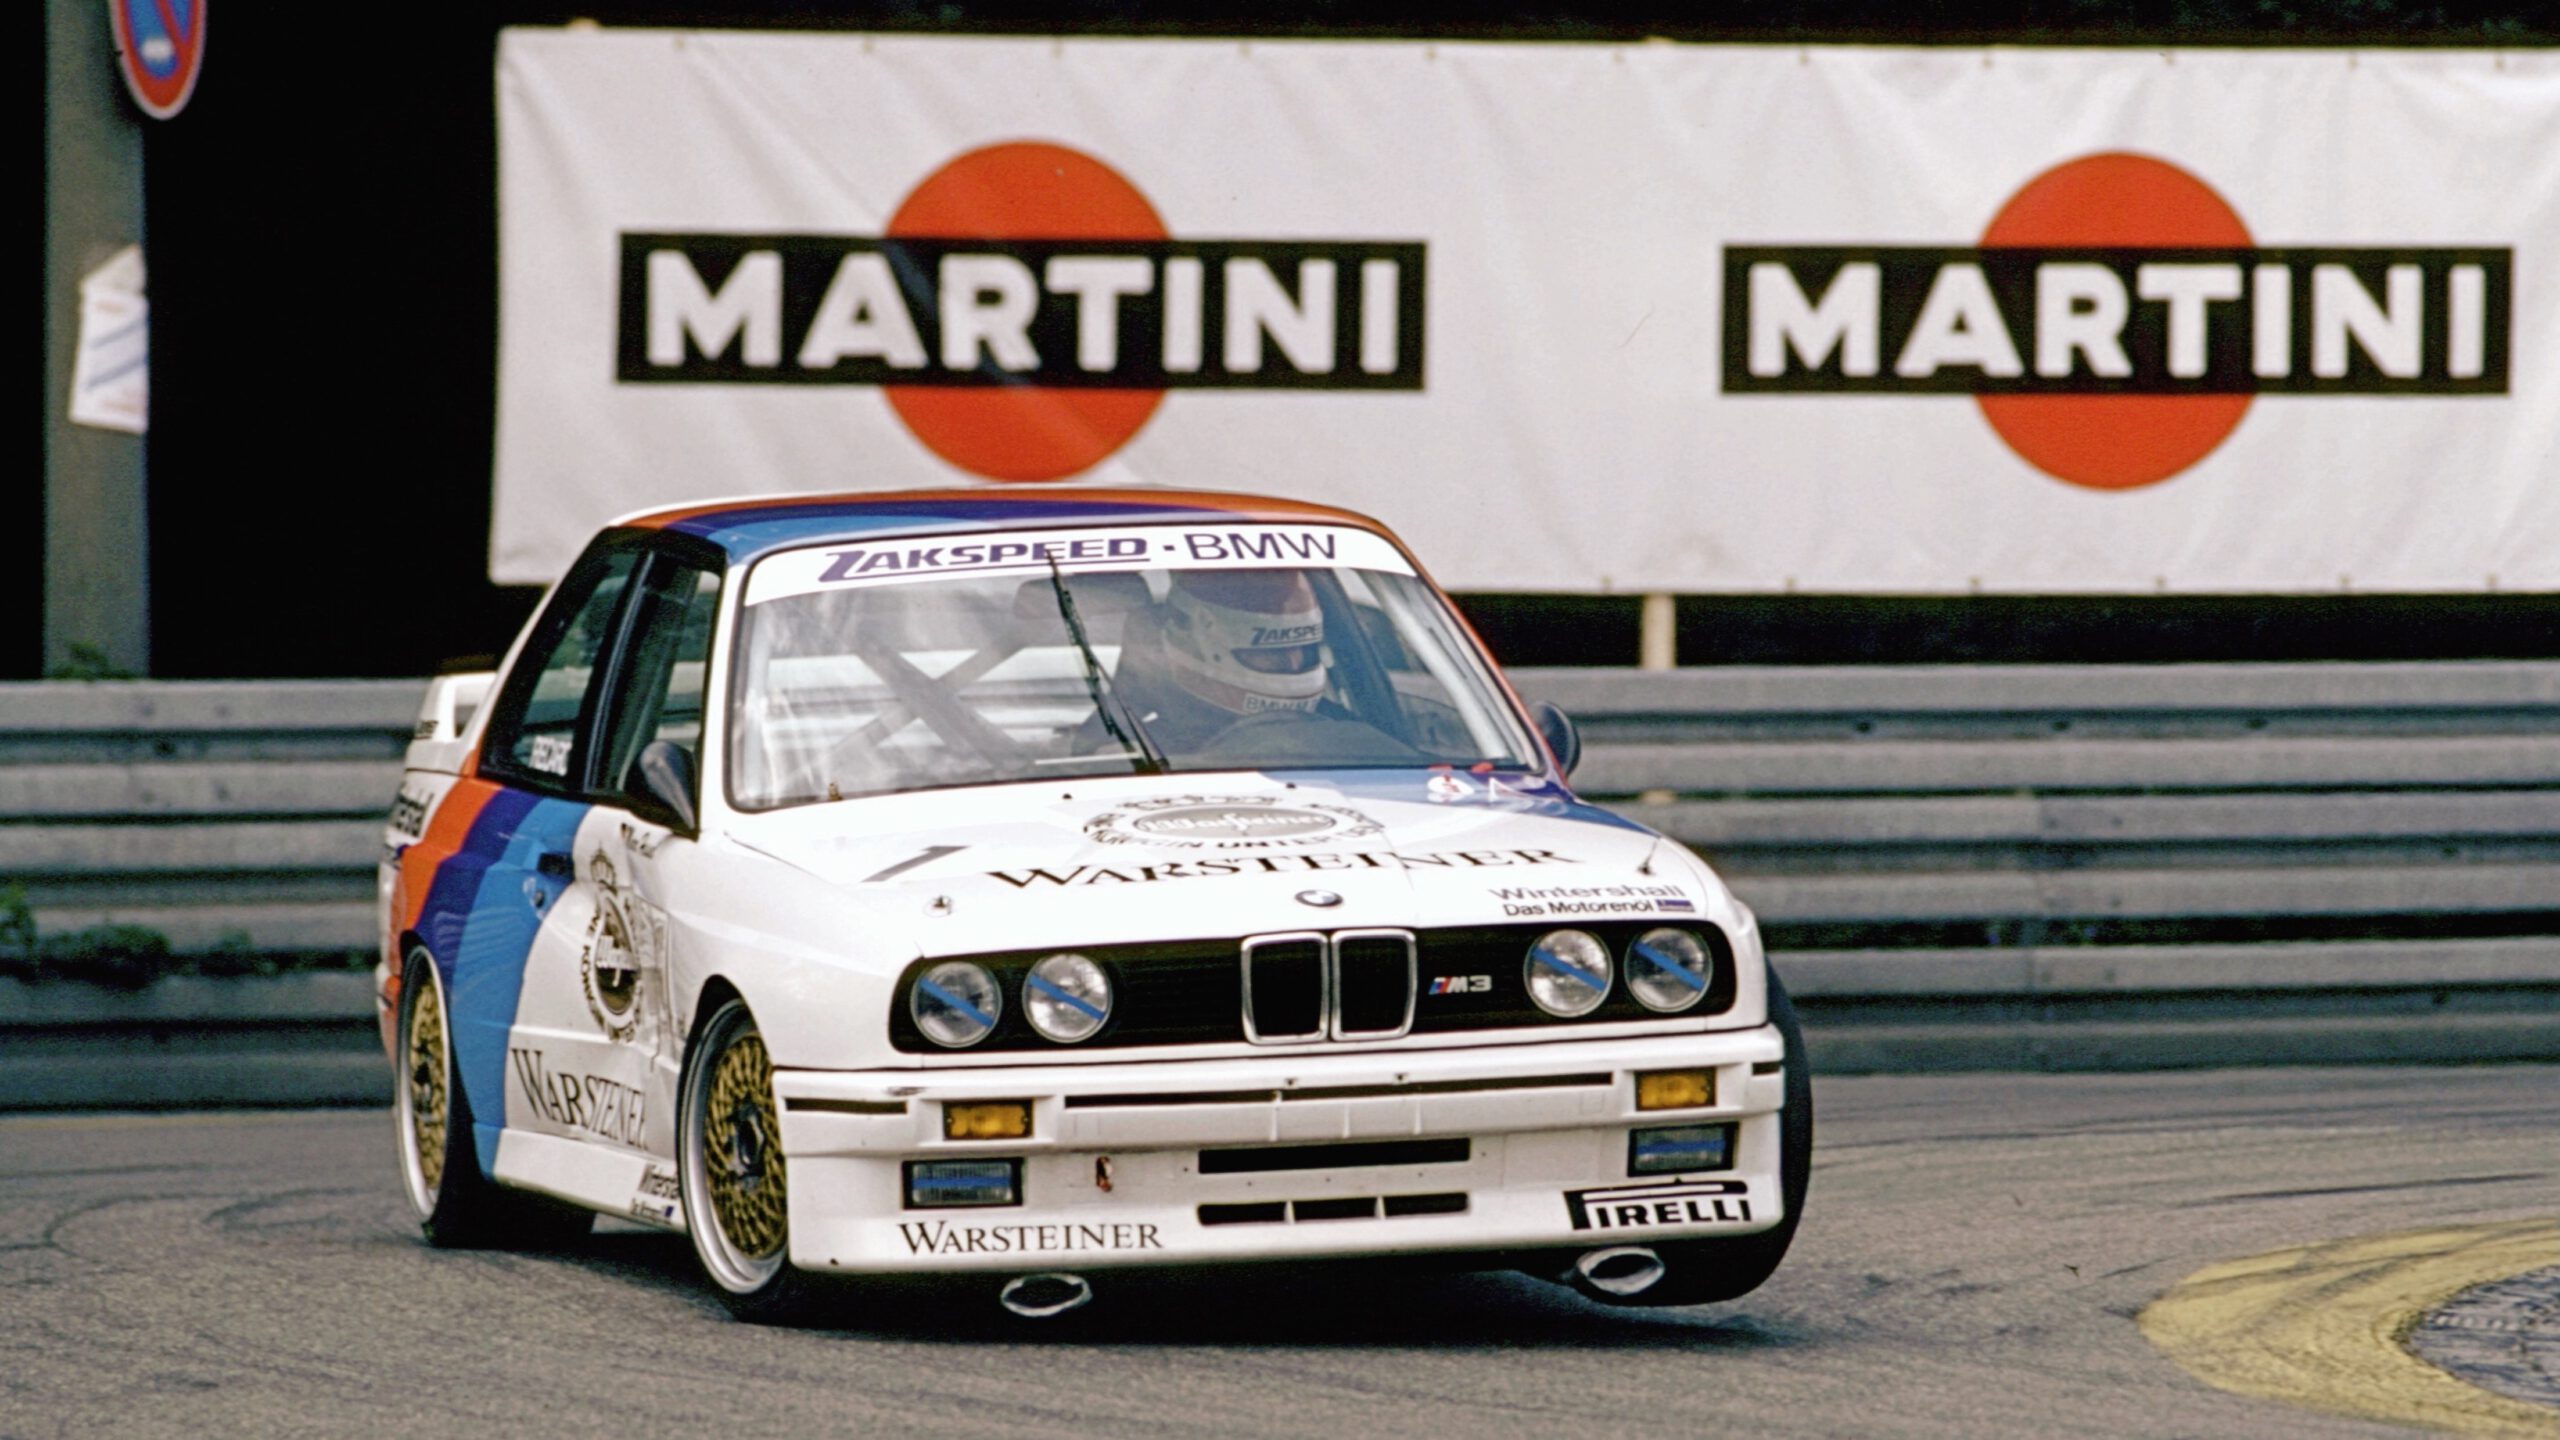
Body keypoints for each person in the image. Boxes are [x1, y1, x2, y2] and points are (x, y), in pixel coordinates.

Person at [1106, 569, 1331, 752]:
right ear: (1199, 646)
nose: (1294, 664)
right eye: (1271, 653)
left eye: (1304, 649)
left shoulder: (1349, 734)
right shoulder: (1138, 757)